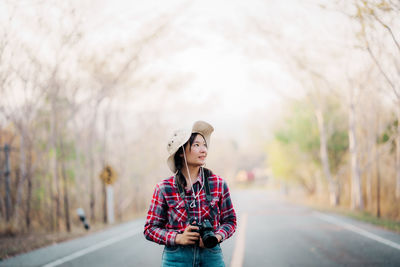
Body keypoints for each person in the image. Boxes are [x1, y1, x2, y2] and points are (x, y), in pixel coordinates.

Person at [144, 120, 237, 267]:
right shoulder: (164, 188)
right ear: (181, 152)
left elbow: (230, 221)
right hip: (176, 258)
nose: (204, 150)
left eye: (204, 145)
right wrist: (178, 238)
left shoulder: (218, 184)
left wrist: (216, 236)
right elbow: (150, 229)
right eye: (196, 145)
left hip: (211, 254)